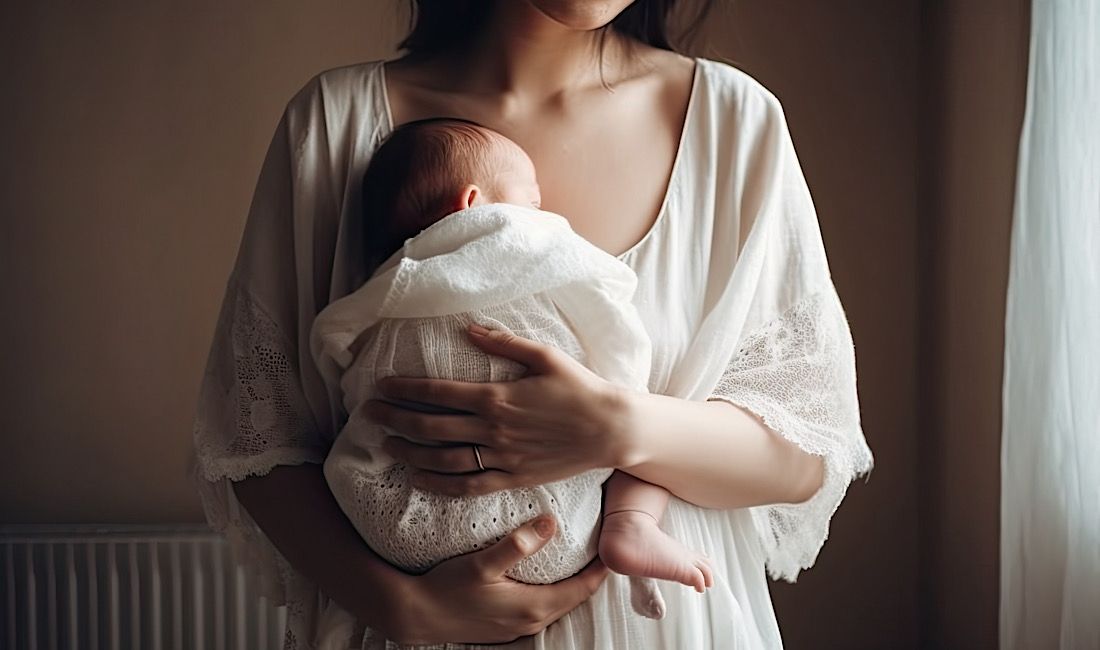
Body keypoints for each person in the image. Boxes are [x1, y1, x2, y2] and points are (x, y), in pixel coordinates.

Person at [191, 1, 874, 648]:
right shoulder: (336, 122)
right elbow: (257, 437)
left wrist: (615, 428)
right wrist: (401, 605)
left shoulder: (734, 124)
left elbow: (807, 451)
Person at [312, 117, 713, 638]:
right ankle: (629, 524)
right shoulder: (522, 240)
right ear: (474, 205)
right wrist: (621, 389)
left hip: (398, 534)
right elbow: (611, 326)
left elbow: (349, 381)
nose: (540, 214)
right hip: (558, 532)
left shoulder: (384, 292)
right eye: (532, 202)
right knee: (642, 427)